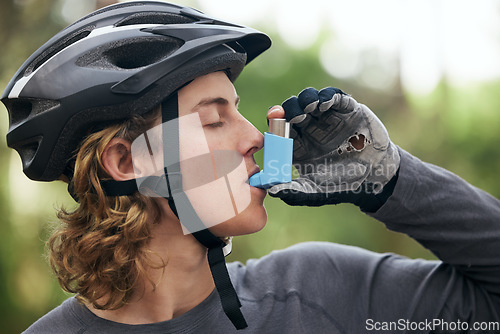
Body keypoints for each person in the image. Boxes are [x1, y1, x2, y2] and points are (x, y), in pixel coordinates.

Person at [2, 1, 499, 333]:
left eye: (237, 111)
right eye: (216, 119)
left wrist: (392, 181)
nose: (256, 137)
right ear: (128, 160)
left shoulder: (320, 292)